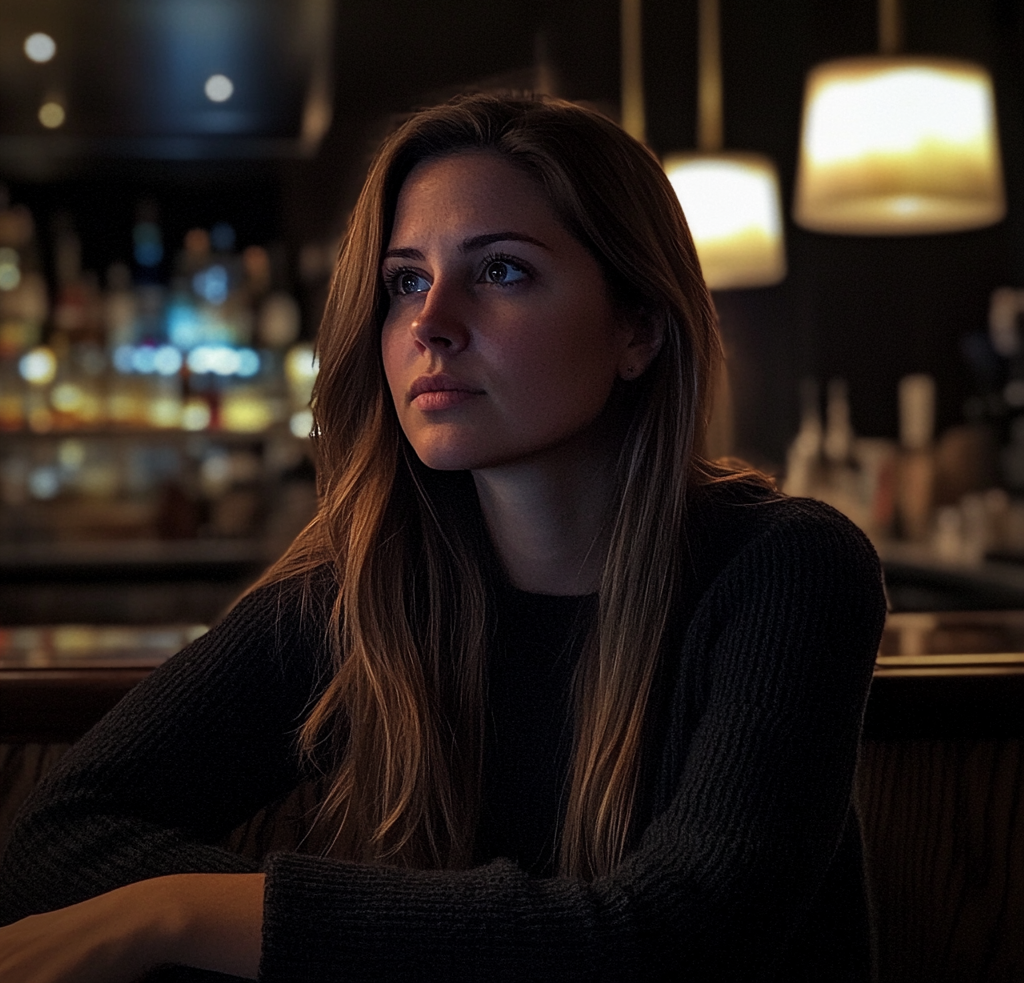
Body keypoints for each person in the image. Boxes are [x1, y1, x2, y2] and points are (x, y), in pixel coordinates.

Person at [0, 93, 885, 982]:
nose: (430, 323)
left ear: (638, 328)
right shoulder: (369, 586)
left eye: (501, 272)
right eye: (406, 281)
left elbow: (675, 940)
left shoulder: (789, 568)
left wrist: (180, 910)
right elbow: (55, 837)